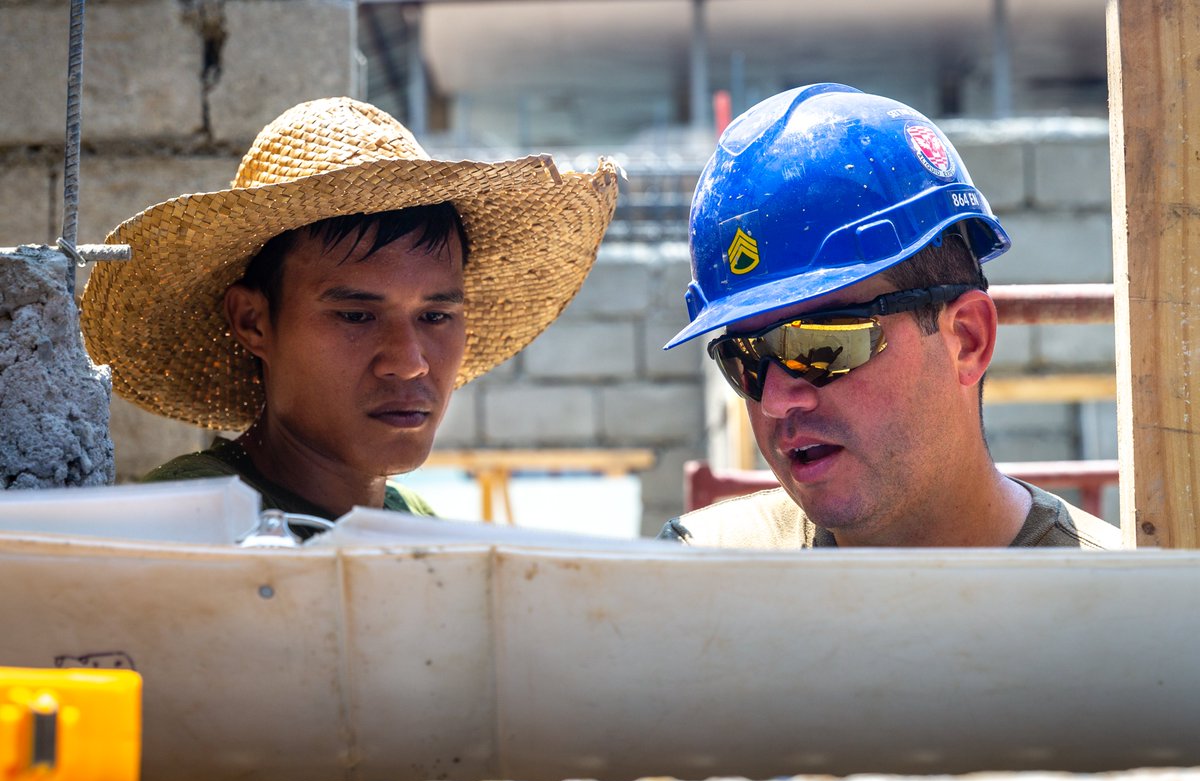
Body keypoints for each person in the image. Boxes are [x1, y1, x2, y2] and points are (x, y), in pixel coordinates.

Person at [81, 97, 618, 531]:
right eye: (356, 316)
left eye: (435, 316)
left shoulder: (415, 525)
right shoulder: (184, 531)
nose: (409, 363)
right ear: (254, 322)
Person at [658, 83, 1122, 549]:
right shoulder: (699, 574)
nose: (775, 400)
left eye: (822, 346)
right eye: (744, 361)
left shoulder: (1127, 608)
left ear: (967, 340)